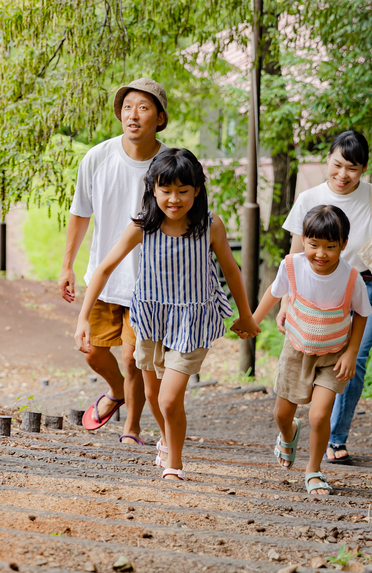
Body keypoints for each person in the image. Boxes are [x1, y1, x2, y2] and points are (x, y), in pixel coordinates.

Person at [74, 148, 260, 480]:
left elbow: (232, 273)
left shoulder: (209, 226)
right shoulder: (143, 226)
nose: (174, 199)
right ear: (153, 190)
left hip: (191, 322)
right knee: (152, 395)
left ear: (197, 191)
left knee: (169, 398)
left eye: (183, 191)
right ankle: (165, 440)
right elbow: (104, 269)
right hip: (151, 320)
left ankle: (174, 464)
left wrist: (246, 316)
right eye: (166, 190)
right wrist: (83, 317)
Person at [278, 130, 372, 464]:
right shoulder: (309, 198)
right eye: (337, 165)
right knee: (306, 356)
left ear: (364, 168)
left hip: (364, 289)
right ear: (327, 159)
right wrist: (285, 301)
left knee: (354, 361)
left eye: (352, 168)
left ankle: (335, 438)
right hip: (315, 293)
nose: (343, 175)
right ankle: (298, 425)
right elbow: (296, 254)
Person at [59, 78, 169, 444]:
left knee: (133, 358)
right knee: (92, 351)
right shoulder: (97, 157)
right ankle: (118, 391)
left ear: (160, 117)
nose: (132, 115)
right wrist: (67, 265)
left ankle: (131, 428)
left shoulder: (170, 165)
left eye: (142, 107)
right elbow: (80, 213)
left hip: (149, 283)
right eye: (127, 107)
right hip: (104, 277)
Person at [252, 205, 371, 495]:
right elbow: (274, 293)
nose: (320, 254)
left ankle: (314, 471)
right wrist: (252, 321)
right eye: (313, 244)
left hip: (334, 355)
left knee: (319, 415)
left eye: (330, 246)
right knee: (281, 414)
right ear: (303, 239)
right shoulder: (291, 265)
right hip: (297, 349)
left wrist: (351, 352)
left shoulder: (351, 277)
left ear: (343, 245)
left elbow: (362, 314)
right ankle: (288, 433)